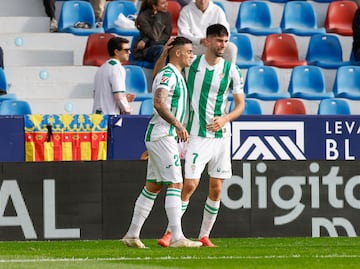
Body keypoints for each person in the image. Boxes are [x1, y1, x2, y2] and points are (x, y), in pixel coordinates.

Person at [155, 24, 245, 247]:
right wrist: (164, 54)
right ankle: (171, 233)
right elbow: (159, 76)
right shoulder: (191, 63)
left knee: (216, 187)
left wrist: (224, 119)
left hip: (222, 137)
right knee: (190, 184)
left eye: (225, 41)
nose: (223, 45)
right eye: (218, 41)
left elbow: (240, 105)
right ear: (207, 41)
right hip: (197, 134)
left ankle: (205, 235)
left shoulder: (231, 70)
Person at [122, 36, 202, 248]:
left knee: (154, 186)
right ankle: (177, 237)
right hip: (163, 134)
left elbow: (157, 77)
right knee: (176, 183)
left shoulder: (170, 73)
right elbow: (158, 102)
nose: (191, 55)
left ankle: (132, 234)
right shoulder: (170, 74)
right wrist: (177, 124)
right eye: (188, 51)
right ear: (177, 53)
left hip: (162, 135)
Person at [177, 0, 237, 64]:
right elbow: (183, 34)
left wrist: (213, 41)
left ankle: (227, 73)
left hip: (214, 44)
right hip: (195, 46)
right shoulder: (186, 11)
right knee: (181, 48)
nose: (202, 1)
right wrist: (199, 40)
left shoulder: (218, 10)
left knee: (231, 48)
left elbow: (225, 31)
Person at [92, 37, 135, 115]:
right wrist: (128, 111)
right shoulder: (117, 68)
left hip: (97, 116)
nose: (129, 52)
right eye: (126, 50)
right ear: (116, 52)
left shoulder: (101, 69)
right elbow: (119, 96)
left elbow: (97, 94)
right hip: (111, 116)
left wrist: (125, 97)